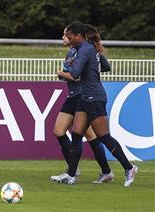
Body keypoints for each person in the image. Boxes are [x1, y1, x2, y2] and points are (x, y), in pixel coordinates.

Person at [56, 21, 138, 186]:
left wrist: (65, 71)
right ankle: (71, 175)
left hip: (94, 97)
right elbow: (103, 66)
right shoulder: (85, 49)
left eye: (70, 37)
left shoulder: (85, 49)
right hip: (85, 97)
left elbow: (75, 73)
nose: (68, 40)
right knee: (77, 134)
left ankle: (129, 168)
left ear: (78, 36)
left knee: (104, 137)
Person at [51, 26, 111, 183]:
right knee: (59, 131)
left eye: (65, 35)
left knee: (90, 135)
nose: (64, 38)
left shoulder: (86, 50)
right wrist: (65, 76)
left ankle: (104, 171)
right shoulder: (71, 52)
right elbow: (70, 74)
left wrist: (66, 74)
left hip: (82, 96)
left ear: (75, 36)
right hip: (72, 96)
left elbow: (103, 66)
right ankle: (74, 169)